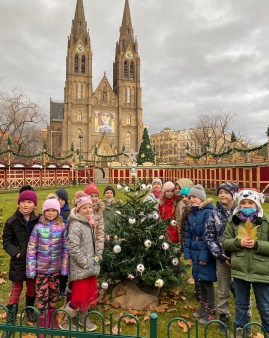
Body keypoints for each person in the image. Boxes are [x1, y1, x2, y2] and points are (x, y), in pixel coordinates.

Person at [222, 189, 269, 338]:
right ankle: (240, 331)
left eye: (250, 203)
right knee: (241, 305)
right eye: (243, 203)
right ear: (239, 204)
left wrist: (256, 244)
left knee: (264, 306)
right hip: (240, 270)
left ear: (257, 204)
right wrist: (239, 242)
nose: (246, 205)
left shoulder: (266, 222)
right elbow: (225, 241)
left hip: (261, 270)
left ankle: (267, 330)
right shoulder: (233, 221)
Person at [58, 191, 102, 332]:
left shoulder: (89, 223)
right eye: (84, 208)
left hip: (90, 266)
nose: (88, 210)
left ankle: (83, 317)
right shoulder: (76, 225)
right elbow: (73, 247)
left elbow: (94, 244)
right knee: (79, 296)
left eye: (90, 207)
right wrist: (85, 263)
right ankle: (64, 320)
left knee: (88, 294)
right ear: (78, 209)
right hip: (82, 267)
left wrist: (97, 258)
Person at [2, 186, 40, 338]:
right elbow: (6, 241)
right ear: (18, 203)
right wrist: (15, 253)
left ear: (34, 205)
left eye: (29, 202)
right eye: (23, 201)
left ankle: (29, 309)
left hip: (34, 260)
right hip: (18, 261)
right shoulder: (12, 221)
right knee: (16, 287)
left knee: (31, 285)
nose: (25, 205)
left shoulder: (39, 220)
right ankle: (11, 319)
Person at [26, 199, 68, 331]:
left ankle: (52, 317)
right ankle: (43, 320)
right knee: (42, 296)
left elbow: (66, 249)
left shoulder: (62, 227)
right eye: (48, 210)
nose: (50, 213)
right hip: (41, 269)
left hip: (55, 269)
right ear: (44, 212)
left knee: (53, 295)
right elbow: (31, 249)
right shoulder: (38, 228)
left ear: (58, 211)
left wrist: (64, 268)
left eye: (53, 210)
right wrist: (31, 270)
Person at [205, 181, 239, 334]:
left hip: (241, 259)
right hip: (222, 258)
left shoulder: (241, 212)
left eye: (226, 192)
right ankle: (223, 316)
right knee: (223, 290)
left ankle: (244, 317)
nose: (222, 195)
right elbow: (209, 237)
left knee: (242, 289)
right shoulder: (214, 213)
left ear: (233, 194)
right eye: (220, 192)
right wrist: (219, 254)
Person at [184, 184, 216, 324]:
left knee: (207, 283)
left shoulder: (208, 213)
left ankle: (211, 311)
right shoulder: (192, 214)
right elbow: (188, 235)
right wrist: (188, 253)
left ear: (201, 198)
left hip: (205, 254)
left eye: (194, 197)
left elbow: (207, 237)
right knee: (199, 280)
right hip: (195, 252)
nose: (191, 199)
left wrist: (204, 256)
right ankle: (203, 306)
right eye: (190, 197)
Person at [55, 188, 71, 298]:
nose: (60, 201)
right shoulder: (51, 210)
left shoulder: (68, 212)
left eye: (62, 199)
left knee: (64, 268)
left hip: (64, 244)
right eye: (58, 199)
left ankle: (62, 287)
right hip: (54, 244)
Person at [84, 184, 105, 255]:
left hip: (95, 247)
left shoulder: (99, 213)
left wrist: (99, 251)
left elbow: (101, 233)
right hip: (84, 248)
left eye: (96, 196)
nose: (94, 199)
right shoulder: (81, 212)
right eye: (91, 196)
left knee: (95, 264)